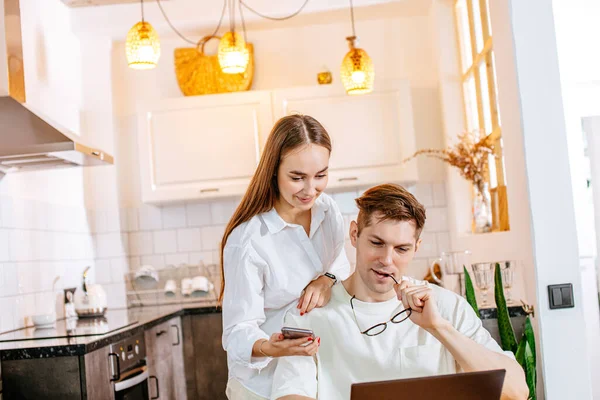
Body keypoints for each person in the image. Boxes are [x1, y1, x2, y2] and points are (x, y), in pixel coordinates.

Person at [271, 184, 529, 400]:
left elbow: (516, 391)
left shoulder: (447, 308)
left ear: (417, 247)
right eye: (376, 243)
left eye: (401, 249)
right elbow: (292, 392)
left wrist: (439, 328)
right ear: (354, 234)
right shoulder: (311, 315)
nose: (386, 259)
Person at [220, 115, 352, 399]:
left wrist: (326, 279)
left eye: (320, 175)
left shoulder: (328, 211)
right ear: (273, 171)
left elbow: (340, 264)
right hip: (262, 385)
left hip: (315, 374)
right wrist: (270, 346)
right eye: (297, 178)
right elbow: (236, 332)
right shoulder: (249, 240)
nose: (310, 190)